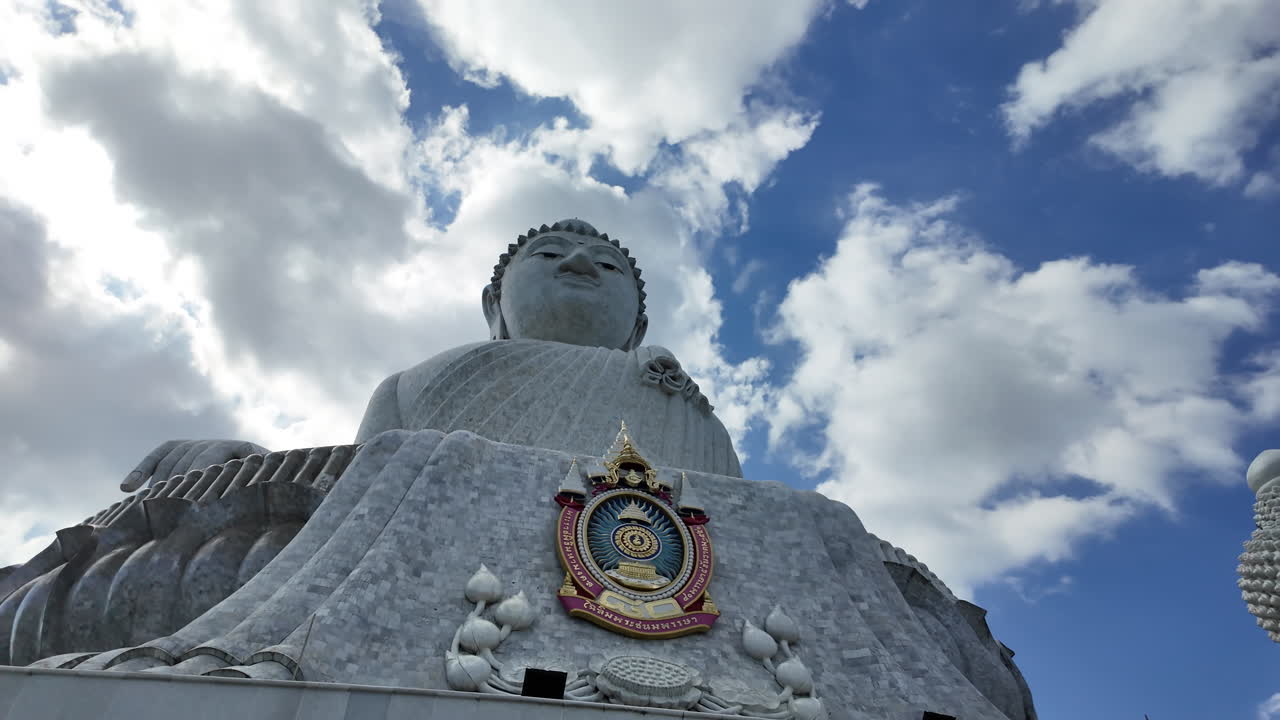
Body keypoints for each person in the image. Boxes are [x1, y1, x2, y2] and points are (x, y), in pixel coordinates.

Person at [121, 219, 740, 493]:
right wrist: (246, 473)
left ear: (638, 325)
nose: (579, 263)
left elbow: (739, 531)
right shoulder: (414, 385)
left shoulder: (678, 398)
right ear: (493, 307)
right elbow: (346, 503)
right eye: (548, 256)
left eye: (606, 267)